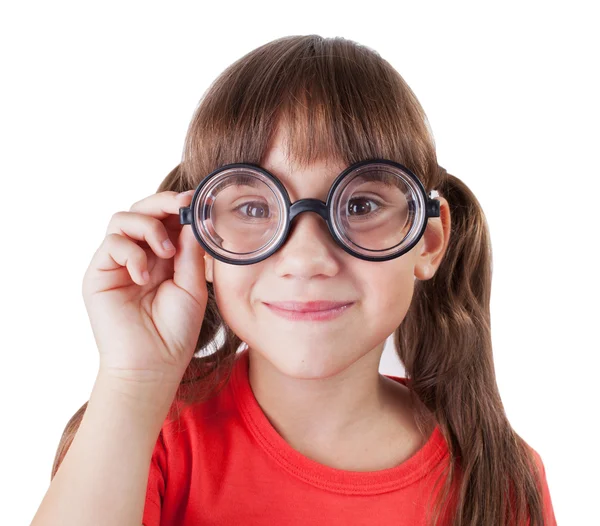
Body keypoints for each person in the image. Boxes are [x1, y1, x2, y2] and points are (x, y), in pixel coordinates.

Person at [31, 35, 557, 526]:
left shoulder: (499, 478)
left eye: (361, 204)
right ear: (202, 242)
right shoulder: (145, 434)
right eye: (254, 207)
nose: (305, 259)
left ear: (427, 240)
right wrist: (133, 379)